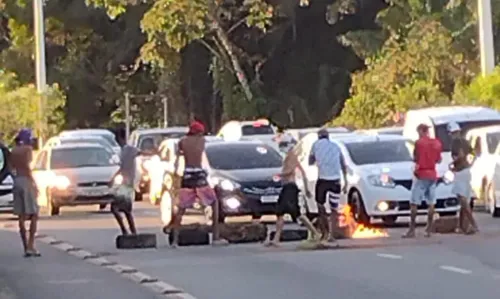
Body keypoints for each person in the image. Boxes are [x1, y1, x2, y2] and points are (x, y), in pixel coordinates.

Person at [171, 121, 226, 247]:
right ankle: (216, 237)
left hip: (187, 174)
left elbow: (177, 159)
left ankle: (175, 240)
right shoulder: (202, 141)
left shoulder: (182, 142)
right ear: (199, 132)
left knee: (182, 208)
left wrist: (175, 177)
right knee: (214, 202)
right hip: (199, 174)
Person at [265, 146, 321, 247]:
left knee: (296, 213)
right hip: (286, 187)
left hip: (290, 188)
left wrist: (278, 175)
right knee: (280, 212)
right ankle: (276, 239)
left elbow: (290, 171)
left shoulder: (292, 157)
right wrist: (306, 187)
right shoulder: (289, 158)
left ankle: (315, 232)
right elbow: (303, 173)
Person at [308, 128, 347, 243]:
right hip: (336, 180)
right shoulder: (336, 146)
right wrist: (345, 182)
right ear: (328, 136)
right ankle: (332, 234)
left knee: (320, 205)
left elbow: (310, 161)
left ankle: (324, 231)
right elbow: (343, 164)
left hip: (323, 179)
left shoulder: (315, 145)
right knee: (334, 208)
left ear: (318, 136)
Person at [403, 124, 442, 238]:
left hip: (421, 174)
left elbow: (416, 158)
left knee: (414, 202)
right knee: (431, 202)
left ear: (421, 131)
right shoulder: (436, 143)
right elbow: (438, 160)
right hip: (432, 174)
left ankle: (412, 230)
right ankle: (428, 229)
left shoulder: (419, 143)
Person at [10, 129, 40, 257]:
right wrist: (34, 183)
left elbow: (11, 168)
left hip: (17, 181)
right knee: (34, 214)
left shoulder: (13, 150)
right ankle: (31, 245)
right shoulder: (27, 150)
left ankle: (25, 246)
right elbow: (28, 167)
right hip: (26, 181)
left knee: (21, 216)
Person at [448, 122, 479, 234]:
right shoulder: (466, 141)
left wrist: (453, 164)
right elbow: (474, 153)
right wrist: (469, 163)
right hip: (467, 171)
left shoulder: (455, 143)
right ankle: (461, 226)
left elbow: (459, 155)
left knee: (463, 201)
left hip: (460, 172)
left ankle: (473, 224)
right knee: (463, 200)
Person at [111, 128, 138, 235]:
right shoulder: (123, 150)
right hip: (124, 184)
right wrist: (113, 178)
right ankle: (130, 231)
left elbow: (139, 152)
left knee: (117, 209)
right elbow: (122, 168)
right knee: (125, 210)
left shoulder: (129, 149)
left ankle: (127, 231)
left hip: (126, 184)